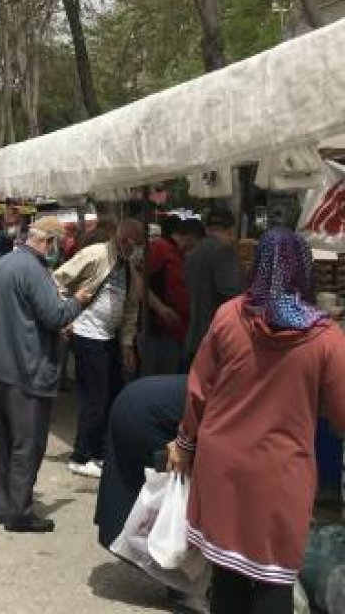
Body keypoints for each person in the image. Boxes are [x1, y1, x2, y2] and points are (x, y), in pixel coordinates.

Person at [168, 228, 345, 614]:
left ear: (256, 267)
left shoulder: (229, 316)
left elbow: (198, 391)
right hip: (280, 474)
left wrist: (183, 444)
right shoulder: (327, 338)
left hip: (222, 467)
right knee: (273, 577)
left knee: (227, 573)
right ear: (306, 270)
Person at [0, 217, 89, 533]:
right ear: (48, 241)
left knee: (8, 441)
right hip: (25, 369)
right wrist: (79, 301)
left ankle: (6, 505)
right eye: (57, 244)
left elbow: (24, 315)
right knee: (27, 444)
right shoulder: (33, 270)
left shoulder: (2, 264)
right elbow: (55, 316)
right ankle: (19, 513)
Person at [53, 219, 145, 480]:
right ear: (125, 241)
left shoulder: (128, 269)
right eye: (137, 245)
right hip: (86, 333)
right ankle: (81, 456)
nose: (139, 251)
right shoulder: (96, 255)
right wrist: (66, 315)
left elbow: (130, 309)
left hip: (109, 337)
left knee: (111, 395)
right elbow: (58, 279)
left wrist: (126, 344)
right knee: (95, 398)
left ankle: (100, 452)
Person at [94, 374, 187, 551]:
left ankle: (118, 538)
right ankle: (138, 546)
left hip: (134, 398)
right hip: (148, 414)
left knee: (125, 479)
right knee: (163, 486)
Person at [141, 217, 202, 376]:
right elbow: (139, 282)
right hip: (158, 330)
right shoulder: (160, 248)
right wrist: (160, 308)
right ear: (190, 238)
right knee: (156, 378)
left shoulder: (178, 254)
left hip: (175, 329)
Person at [183, 209, 243, 365]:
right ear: (231, 230)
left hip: (195, 338)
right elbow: (232, 294)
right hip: (217, 340)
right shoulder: (224, 251)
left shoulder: (194, 252)